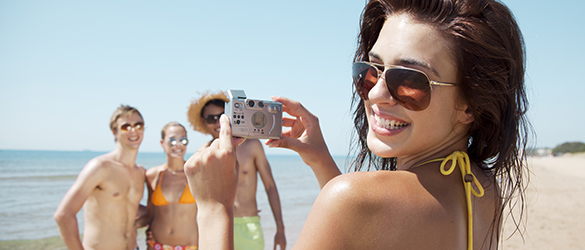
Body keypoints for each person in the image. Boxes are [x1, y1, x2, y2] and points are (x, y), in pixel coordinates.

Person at [184, 0, 530, 249]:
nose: (377, 93)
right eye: (370, 71)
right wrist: (322, 162)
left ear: (469, 105)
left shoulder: (352, 199)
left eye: (409, 81)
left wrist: (214, 209)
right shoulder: (481, 187)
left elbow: (361, 213)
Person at [187, 91, 287, 250]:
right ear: (203, 121)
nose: (218, 123)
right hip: (215, 224)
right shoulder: (202, 154)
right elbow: (196, 200)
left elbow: (270, 187)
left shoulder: (252, 146)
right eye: (211, 118)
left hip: (249, 224)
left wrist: (280, 229)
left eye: (221, 116)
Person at [54, 105, 147, 250]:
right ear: (114, 132)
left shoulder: (140, 172)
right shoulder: (100, 167)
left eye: (138, 125)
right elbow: (63, 215)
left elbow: (128, 207)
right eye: (125, 126)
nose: (133, 130)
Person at [140, 122, 198, 250]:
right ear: (162, 143)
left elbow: (209, 212)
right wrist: (132, 226)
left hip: (189, 246)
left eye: (183, 140)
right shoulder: (152, 175)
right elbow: (150, 213)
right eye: (172, 140)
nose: (178, 144)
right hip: (156, 245)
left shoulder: (196, 174)